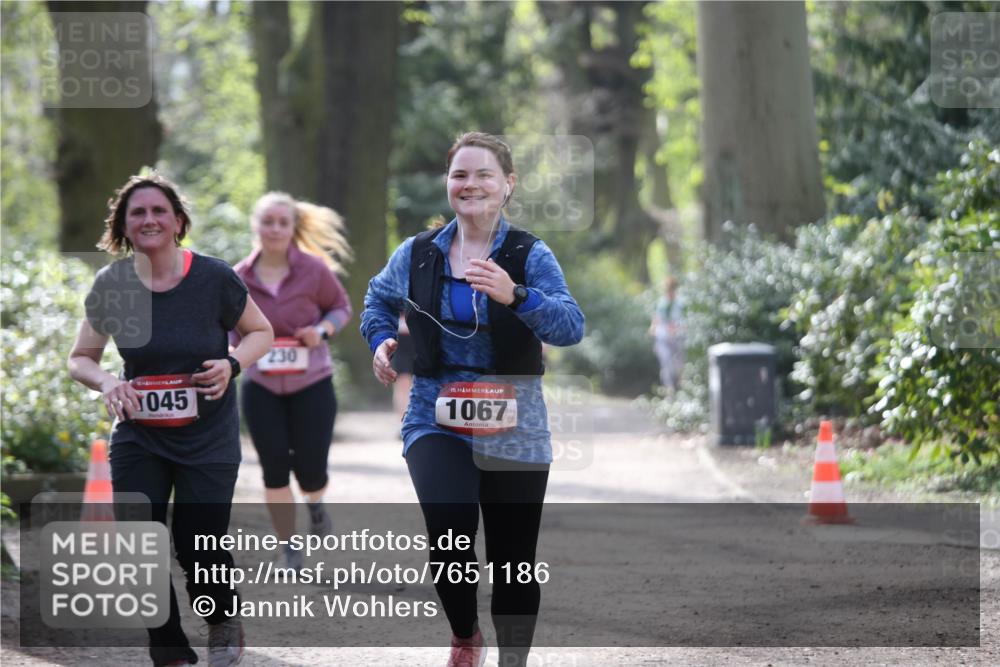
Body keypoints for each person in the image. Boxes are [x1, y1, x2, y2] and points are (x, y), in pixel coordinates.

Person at [361, 132, 584, 667]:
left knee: (512, 561)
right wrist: (381, 341)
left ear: (508, 184)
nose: (471, 185)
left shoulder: (529, 253)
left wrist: (516, 294)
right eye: (460, 175)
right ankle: (465, 636)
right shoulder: (418, 253)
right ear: (448, 185)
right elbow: (377, 299)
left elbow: (570, 326)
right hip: (435, 416)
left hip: (516, 420)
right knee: (449, 538)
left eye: (484, 174)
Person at [68, 172, 273, 667]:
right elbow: (81, 357)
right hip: (140, 435)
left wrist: (232, 364)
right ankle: (168, 646)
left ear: (178, 221)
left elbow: (261, 333)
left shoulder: (213, 277)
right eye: (137, 212)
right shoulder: (113, 283)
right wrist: (108, 383)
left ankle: (222, 620)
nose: (149, 219)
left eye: (159, 210)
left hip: (207, 437)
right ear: (123, 226)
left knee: (197, 544)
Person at [231, 192, 352, 570]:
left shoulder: (314, 271)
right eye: (268, 221)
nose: (275, 229)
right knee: (274, 469)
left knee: (312, 468)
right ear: (257, 226)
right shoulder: (238, 277)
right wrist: (235, 352)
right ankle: (289, 547)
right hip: (261, 386)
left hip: (311, 383)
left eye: (283, 222)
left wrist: (321, 330)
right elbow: (228, 327)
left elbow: (341, 308)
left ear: (293, 228)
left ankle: (315, 504)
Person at [650, 276, 685, 391]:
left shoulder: (681, 302)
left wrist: (678, 328)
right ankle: (669, 390)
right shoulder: (662, 302)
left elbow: (685, 320)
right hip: (664, 337)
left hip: (678, 337)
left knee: (679, 364)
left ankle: (680, 388)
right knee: (666, 363)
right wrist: (653, 328)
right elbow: (657, 317)